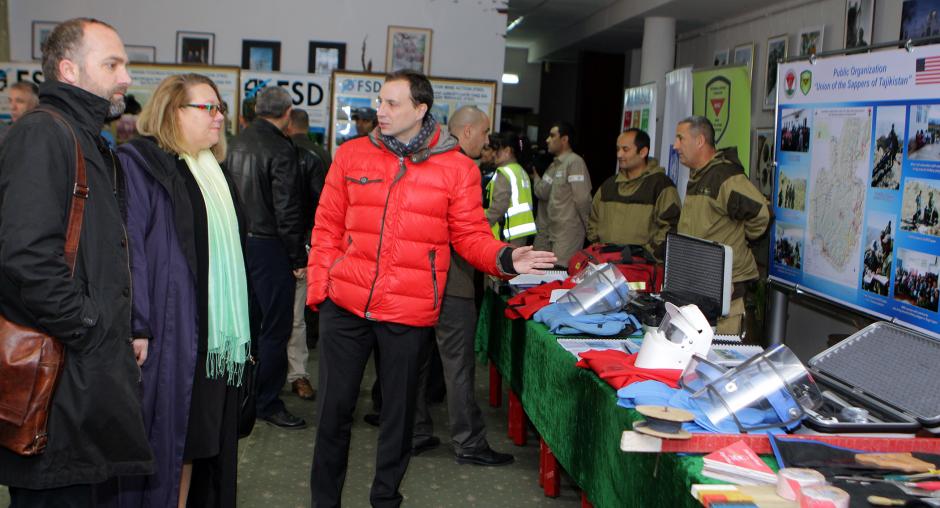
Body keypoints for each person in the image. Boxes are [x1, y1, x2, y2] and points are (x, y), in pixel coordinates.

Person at [307, 70, 555, 507]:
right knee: (332, 415)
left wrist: (505, 259)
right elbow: (326, 226)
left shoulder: (457, 168)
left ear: (421, 109)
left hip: (408, 310)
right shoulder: (351, 155)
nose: (381, 111)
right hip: (344, 305)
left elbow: (470, 235)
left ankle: (385, 498)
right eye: (380, 101)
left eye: (392, 103)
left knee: (399, 420)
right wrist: (320, 290)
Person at [0, 17, 152, 506]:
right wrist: (92, 327)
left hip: (80, 378)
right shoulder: (44, 135)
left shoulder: (85, 139)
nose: (126, 77)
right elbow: (27, 259)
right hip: (58, 381)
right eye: (112, 65)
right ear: (68, 70)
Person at [105, 73, 249, 508]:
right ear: (172, 112)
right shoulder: (140, 165)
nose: (219, 116)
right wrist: (138, 324)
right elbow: (130, 249)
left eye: (220, 108)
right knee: (164, 443)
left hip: (212, 339)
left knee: (195, 444)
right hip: (168, 334)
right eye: (208, 107)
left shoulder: (214, 173)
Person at [409, 106, 517, 468]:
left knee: (418, 363)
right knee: (457, 366)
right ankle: (468, 442)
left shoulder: (421, 160)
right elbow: (467, 232)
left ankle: (416, 431)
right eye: (484, 133)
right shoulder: (462, 168)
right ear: (467, 131)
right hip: (452, 282)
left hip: (418, 283)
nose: (487, 142)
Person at [226, 86, 307, 429]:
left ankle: (238, 396)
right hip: (270, 247)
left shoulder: (233, 143)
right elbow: (287, 209)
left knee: (241, 324)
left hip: (236, 242)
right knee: (276, 328)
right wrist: (297, 257)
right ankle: (267, 402)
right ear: (287, 114)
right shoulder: (281, 148)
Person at [673, 116, 771, 335]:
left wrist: (740, 242)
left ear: (700, 141)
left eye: (680, 138)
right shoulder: (700, 176)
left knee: (723, 352)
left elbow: (761, 215)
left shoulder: (725, 177)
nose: (675, 146)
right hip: (703, 288)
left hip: (728, 292)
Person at [284, 107, 327, 401]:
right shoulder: (321, 155)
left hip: (286, 246)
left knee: (289, 317)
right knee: (298, 317)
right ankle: (297, 375)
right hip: (307, 245)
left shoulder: (291, 155)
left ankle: (293, 374)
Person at [587, 128, 681, 261]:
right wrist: (599, 250)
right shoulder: (608, 185)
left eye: (625, 149)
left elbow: (671, 228)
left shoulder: (661, 185)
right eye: (618, 149)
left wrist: (645, 255)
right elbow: (592, 222)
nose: (619, 154)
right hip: (605, 264)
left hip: (642, 268)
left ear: (643, 152)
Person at [531, 121, 593, 266]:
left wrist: (590, 230)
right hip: (550, 231)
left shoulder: (575, 162)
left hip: (567, 234)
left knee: (560, 274)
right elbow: (542, 192)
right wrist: (536, 177)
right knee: (542, 273)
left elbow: (582, 199)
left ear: (564, 139)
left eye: (552, 136)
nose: (548, 140)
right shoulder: (555, 165)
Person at [486, 130, 537, 247]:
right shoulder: (520, 171)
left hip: (508, 233)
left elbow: (499, 207)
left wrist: (483, 224)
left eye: (497, 150)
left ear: (507, 151)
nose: (493, 154)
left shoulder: (504, 172)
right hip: (520, 233)